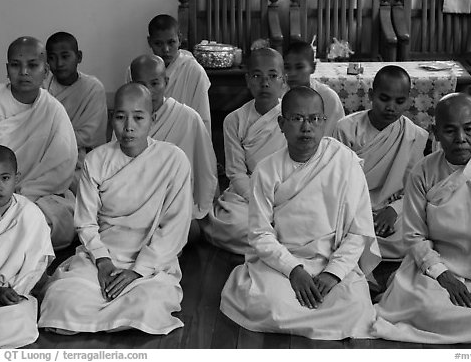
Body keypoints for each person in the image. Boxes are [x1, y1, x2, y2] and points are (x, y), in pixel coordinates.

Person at [220, 87, 381, 340]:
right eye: (297, 119)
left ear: (324, 122)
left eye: (315, 119)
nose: (307, 127)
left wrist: (333, 273)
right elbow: (260, 234)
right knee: (270, 304)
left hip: (331, 258)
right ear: (281, 124)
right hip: (282, 261)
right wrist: (294, 270)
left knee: (356, 307)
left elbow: (359, 230)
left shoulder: (344, 162)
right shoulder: (266, 170)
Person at [39, 83, 192, 335]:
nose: (129, 126)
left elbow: (175, 227)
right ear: (112, 119)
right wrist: (103, 261)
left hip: (151, 260)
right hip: (102, 254)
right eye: (120, 117)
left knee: (147, 305)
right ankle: (109, 311)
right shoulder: (96, 160)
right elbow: (86, 223)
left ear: (153, 119)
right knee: (61, 298)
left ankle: (122, 304)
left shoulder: (173, 159)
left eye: (138, 117)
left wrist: (138, 271)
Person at [372, 93, 471, 344]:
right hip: (436, 267)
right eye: (450, 130)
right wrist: (443, 276)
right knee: (424, 305)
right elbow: (414, 236)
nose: (460, 139)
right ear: (435, 132)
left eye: (469, 129)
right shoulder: (423, 171)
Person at [0, 36, 78, 251]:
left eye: (33, 65)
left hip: (39, 196)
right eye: (16, 65)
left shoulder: (53, 110)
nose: (24, 72)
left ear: (46, 71)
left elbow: (61, 169)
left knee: (54, 219)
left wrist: (23, 195)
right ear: (7, 69)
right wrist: (4, 194)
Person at [333, 65, 428, 260]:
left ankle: (360, 248)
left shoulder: (414, 135)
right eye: (384, 99)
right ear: (371, 95)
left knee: (412, 236)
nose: (391, 107)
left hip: (392, 206)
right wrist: (362, 214)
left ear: (408, 101)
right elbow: (337, 181)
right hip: (352, 205)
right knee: (333, 229)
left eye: (399, 101)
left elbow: (415, 188)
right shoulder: (347, 129)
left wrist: (393, 211)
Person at [0, 145, 54, 349]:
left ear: (17, 178)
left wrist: (13, 293)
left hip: (17, 291)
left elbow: (38, 264)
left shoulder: (30, 213)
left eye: (5, 178)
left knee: (17, 319)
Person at [204, 48, 287, 254]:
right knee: (231, 224)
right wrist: (258, 201)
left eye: (272, 76)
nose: (265, 83)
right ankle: (283, 248)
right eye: (257, 76)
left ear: (283, 80)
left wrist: (277, 199)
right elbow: (235, 172)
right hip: (247, 192)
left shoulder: (292, 115)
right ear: (248, 80)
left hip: (286, 189)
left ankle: (273, 246)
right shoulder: (234, 120)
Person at [129, 54, 218, 226]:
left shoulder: (188, 118)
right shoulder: (126, 118)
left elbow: (205, 170)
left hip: (176, 202)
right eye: (141, 85)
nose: (148, 91)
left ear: (166, 82)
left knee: (188, 230)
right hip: (135, 202)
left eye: (155, 83)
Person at [44, 31, 108, 193]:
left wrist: (53, 138)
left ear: (78, 57)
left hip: (81, 158)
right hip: (44, 156)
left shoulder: (93, 88)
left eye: (65, 56)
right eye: (52, 58)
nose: (59, 63)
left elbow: (90, 135)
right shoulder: (42, 87)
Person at [126, 14, 211, 134]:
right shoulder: (135, 70)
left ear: (180, 40)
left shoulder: (194, 71)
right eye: (158, 44)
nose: (166, 49)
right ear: (149, 42)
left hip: (182, 137)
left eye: (171, 42)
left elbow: (203, 120)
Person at [283, 40, 345, 136]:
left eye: (299, 67)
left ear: (313, 67)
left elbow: (333, 138)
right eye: (287, 67)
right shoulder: (278, 95)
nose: (292, 73)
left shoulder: (328, 98)